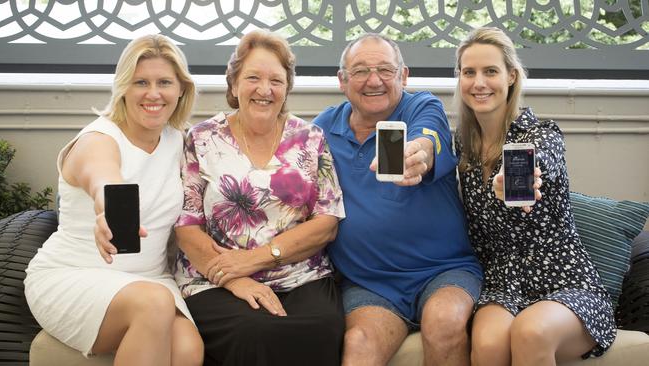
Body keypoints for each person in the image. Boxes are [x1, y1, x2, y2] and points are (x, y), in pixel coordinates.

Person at [24, 34, 203, 365]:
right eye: (140, 82)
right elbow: (103, 178)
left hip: (150, 278)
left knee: (188, 349)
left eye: (164, 82)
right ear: (123, 87)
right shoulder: (98, 139)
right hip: (75, 274)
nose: (153, 93)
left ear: (181, 89)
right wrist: (108, 211)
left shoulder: (179, 141)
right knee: (154, 303)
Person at [173, 29, 346, 366]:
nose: (265, 90)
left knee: (321, 326)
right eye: (253, 77)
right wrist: (235, 278)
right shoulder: (203, 138)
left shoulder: (310, 139)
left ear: (287, 88)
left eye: (276, 81)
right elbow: (186, 226)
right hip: (215, 279)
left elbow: (327, 223)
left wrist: (261, 258)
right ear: (234, 84)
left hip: (301, 274)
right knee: (254, 329)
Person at [312, 33, 483, 366]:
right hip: (369, 284)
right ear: (342, 81)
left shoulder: (421, 106)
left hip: (443, 271)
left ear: (403, 76)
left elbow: (428, 136)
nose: (373, 80)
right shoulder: (322, 130)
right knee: (359, 342)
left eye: (385, 70)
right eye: (360, 71)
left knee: (445, 322)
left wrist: (419, 154)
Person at [453, 26, 617, 365]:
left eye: (491, 71)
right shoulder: (462, 144)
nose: (479, 83)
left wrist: (514, 176)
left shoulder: (543, 134)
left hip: (565, 280)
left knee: (530, 333)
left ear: (511, 76)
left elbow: (539, 158)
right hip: (502, 282)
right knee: (487, 347)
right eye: (469, 72)